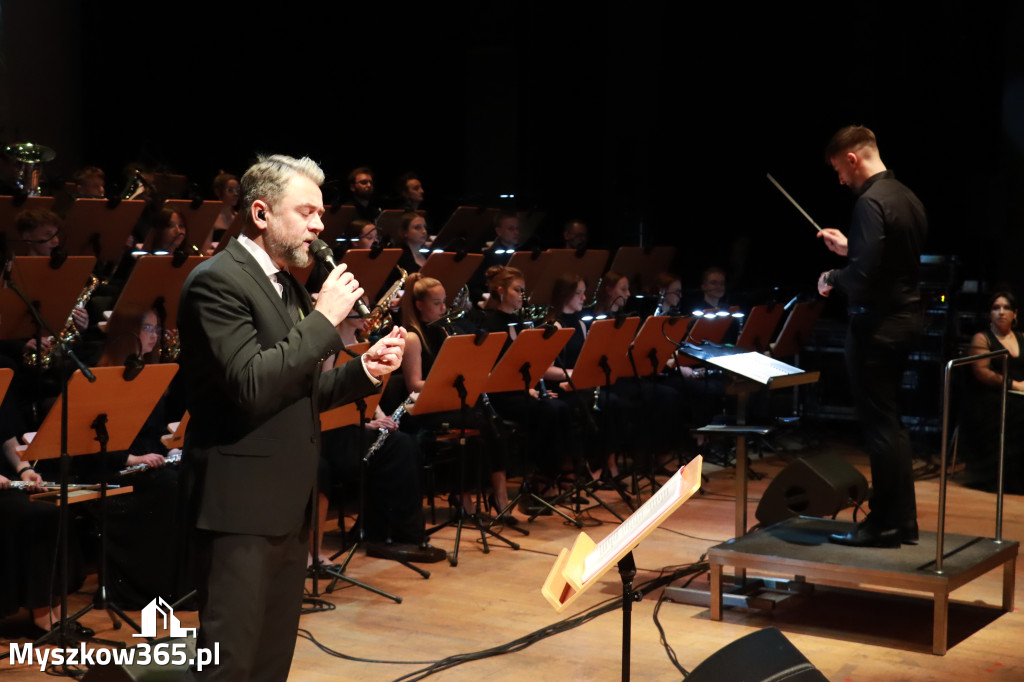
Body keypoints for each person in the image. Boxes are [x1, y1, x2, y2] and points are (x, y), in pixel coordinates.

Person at [178, 154, 406, 681]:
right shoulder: (216, 282)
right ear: (260, 214)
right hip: (238, 506)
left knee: (271, 662)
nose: (320, 226)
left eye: (320, 214)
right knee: (229, 663)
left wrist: (363, 372)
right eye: (306, 213)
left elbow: (294, 389)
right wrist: (326, 317)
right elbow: (251, 385)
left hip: (285, 503)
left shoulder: (288, 285)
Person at [816, 125, 927, 548]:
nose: (839, 180)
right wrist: (851, 249)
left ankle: (883, 523)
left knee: (881, 429)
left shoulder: (869, 201)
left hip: (875, 328)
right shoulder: (906, 197)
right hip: (905, 321)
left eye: (838, 171)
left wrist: (831, 276)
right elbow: (886, 262)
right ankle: (904, 523)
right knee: (892, 426)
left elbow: (862, 279)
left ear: (852, 159)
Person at [964, 291, 1024, 493]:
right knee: (1017, 411)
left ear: (1015, 314)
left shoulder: (1022, 338)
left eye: (1006, 308)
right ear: (989, 313)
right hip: (989, 396)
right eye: (996, 308)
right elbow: (982, 372)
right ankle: (1005, 480)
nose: (1001, 312)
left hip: (1019, 394)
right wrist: (1013, 385)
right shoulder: (982, 338)